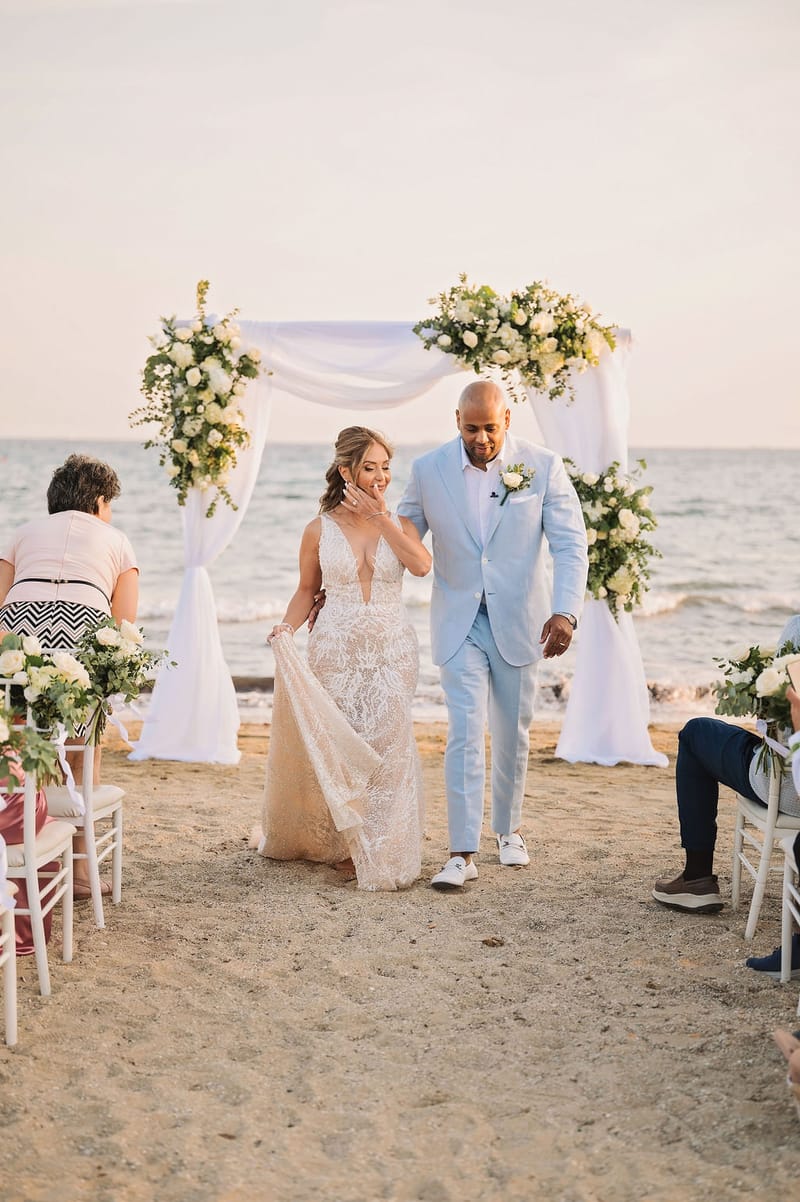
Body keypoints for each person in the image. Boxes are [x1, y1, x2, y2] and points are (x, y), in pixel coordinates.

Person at [397, 380, 589, 890]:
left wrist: (566, 612)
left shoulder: (543, 466)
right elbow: (403, 535)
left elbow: (571, 544)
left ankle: (508, 829)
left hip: (521, 620)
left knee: (512, 733)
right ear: (455, 420)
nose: (481, 438)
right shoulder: (427, 470)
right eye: (470, 427)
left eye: (490, 428)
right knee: (464, 730)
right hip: (458, 620)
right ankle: (461, 851)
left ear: (508, 420)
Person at [257, 426, 431, 891]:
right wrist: (286, 627)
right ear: (345, 471)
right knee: (343, 751)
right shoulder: (318, 530)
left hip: (392, 650)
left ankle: (381, 845)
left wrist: (383, 520)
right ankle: (351, 846)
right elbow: (305, 591)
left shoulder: (403, 525)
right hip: (336, 650)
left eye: (386, 468)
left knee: (389, 751)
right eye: (370, 468)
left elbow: (421, 565)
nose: (380, 478)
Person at [0, 453, 139, 899]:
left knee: (27, 738)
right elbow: (125, 627)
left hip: (18, 622)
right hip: (84, 620)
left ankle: (27, 841)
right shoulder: (116, 539)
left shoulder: (21, 534)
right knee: (82, 743)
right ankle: (79, 875)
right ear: (99, 500)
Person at [652, 615, 800, 969]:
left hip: (788, 788)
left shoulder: (797, 629)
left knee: (696, 732)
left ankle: (697, 876)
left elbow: (779, 728)